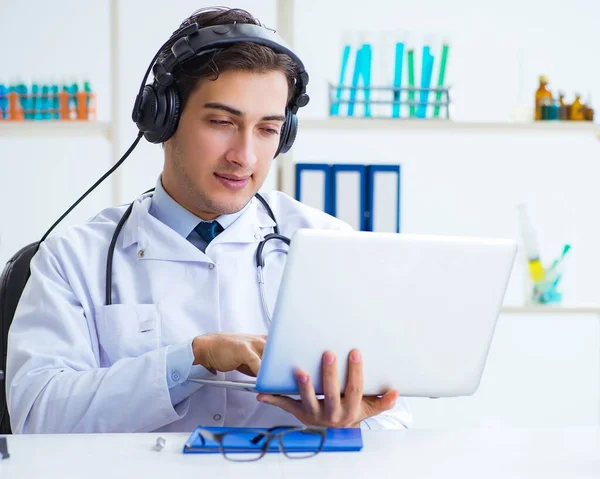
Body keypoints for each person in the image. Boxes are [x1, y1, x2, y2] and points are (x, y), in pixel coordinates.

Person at [6, 6, 411, 433]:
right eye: (221, 122)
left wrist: (349, 422)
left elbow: (394, 420)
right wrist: (191, 358)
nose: (245, 156)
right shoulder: (71, 259)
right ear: (163, 118)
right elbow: (36, 418)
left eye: (267, 129)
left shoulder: (329, 244)